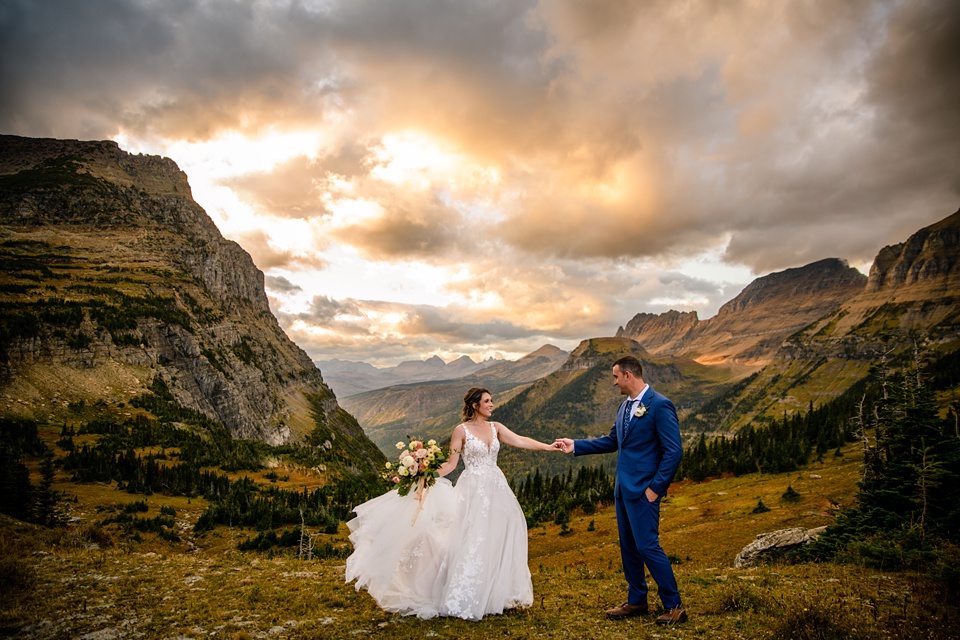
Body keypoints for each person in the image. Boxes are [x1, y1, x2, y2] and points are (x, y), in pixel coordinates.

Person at [345, 387, 560, 621]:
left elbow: (520, 440)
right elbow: (450, 464)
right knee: (474, 537)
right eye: (487, 401)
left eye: (491, 400)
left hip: (497, 487)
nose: (491, 404)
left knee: (498, 535)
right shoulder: (462, 430)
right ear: (475, 405)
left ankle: (495, 592)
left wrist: (547, 446)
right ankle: (468, 593)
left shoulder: (495, 427)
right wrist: (424, 475)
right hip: (473, 489)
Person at [554, 355, 687, 625]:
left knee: (648, 546)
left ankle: (674, 605)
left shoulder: (660, 405)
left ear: (628, 375)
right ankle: (637, 600)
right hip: (622, 492)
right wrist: (575, 445)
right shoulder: (624, 408)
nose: (614, 382)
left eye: (616, 377)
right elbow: (613, 441)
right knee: (628, 547)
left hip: (644, 492)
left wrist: (655, 490)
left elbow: (674, 452)